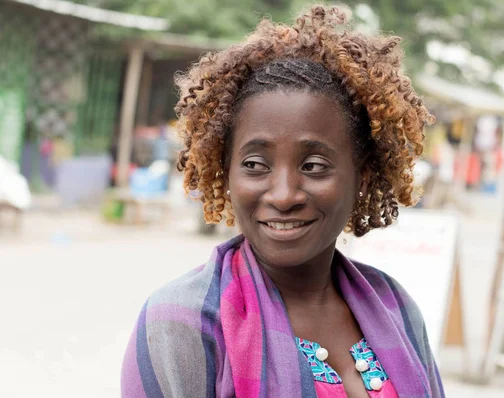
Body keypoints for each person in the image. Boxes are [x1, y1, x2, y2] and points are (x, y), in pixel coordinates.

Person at [121, 5, 443, 398]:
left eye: (314, 165)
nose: (284, 194)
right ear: (226, 173)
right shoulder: (182, 323)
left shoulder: (396, 309)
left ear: (365, 175)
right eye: (255, 164)